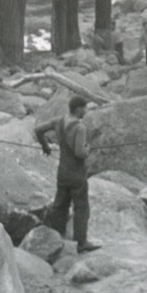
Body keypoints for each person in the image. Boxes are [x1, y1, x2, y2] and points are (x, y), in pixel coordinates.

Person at [35, 94, 99, 253]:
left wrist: (45, 146)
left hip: (62, 172)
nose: (86, 111)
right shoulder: (80, 127)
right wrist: (88, 150)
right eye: (85, 108)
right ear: (79, 109)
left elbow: (38, 130)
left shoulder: (58, 121)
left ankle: (57, 236)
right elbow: (79, 153)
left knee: (60, 206)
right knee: (81, 208)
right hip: (77, 175)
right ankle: (81, 242)